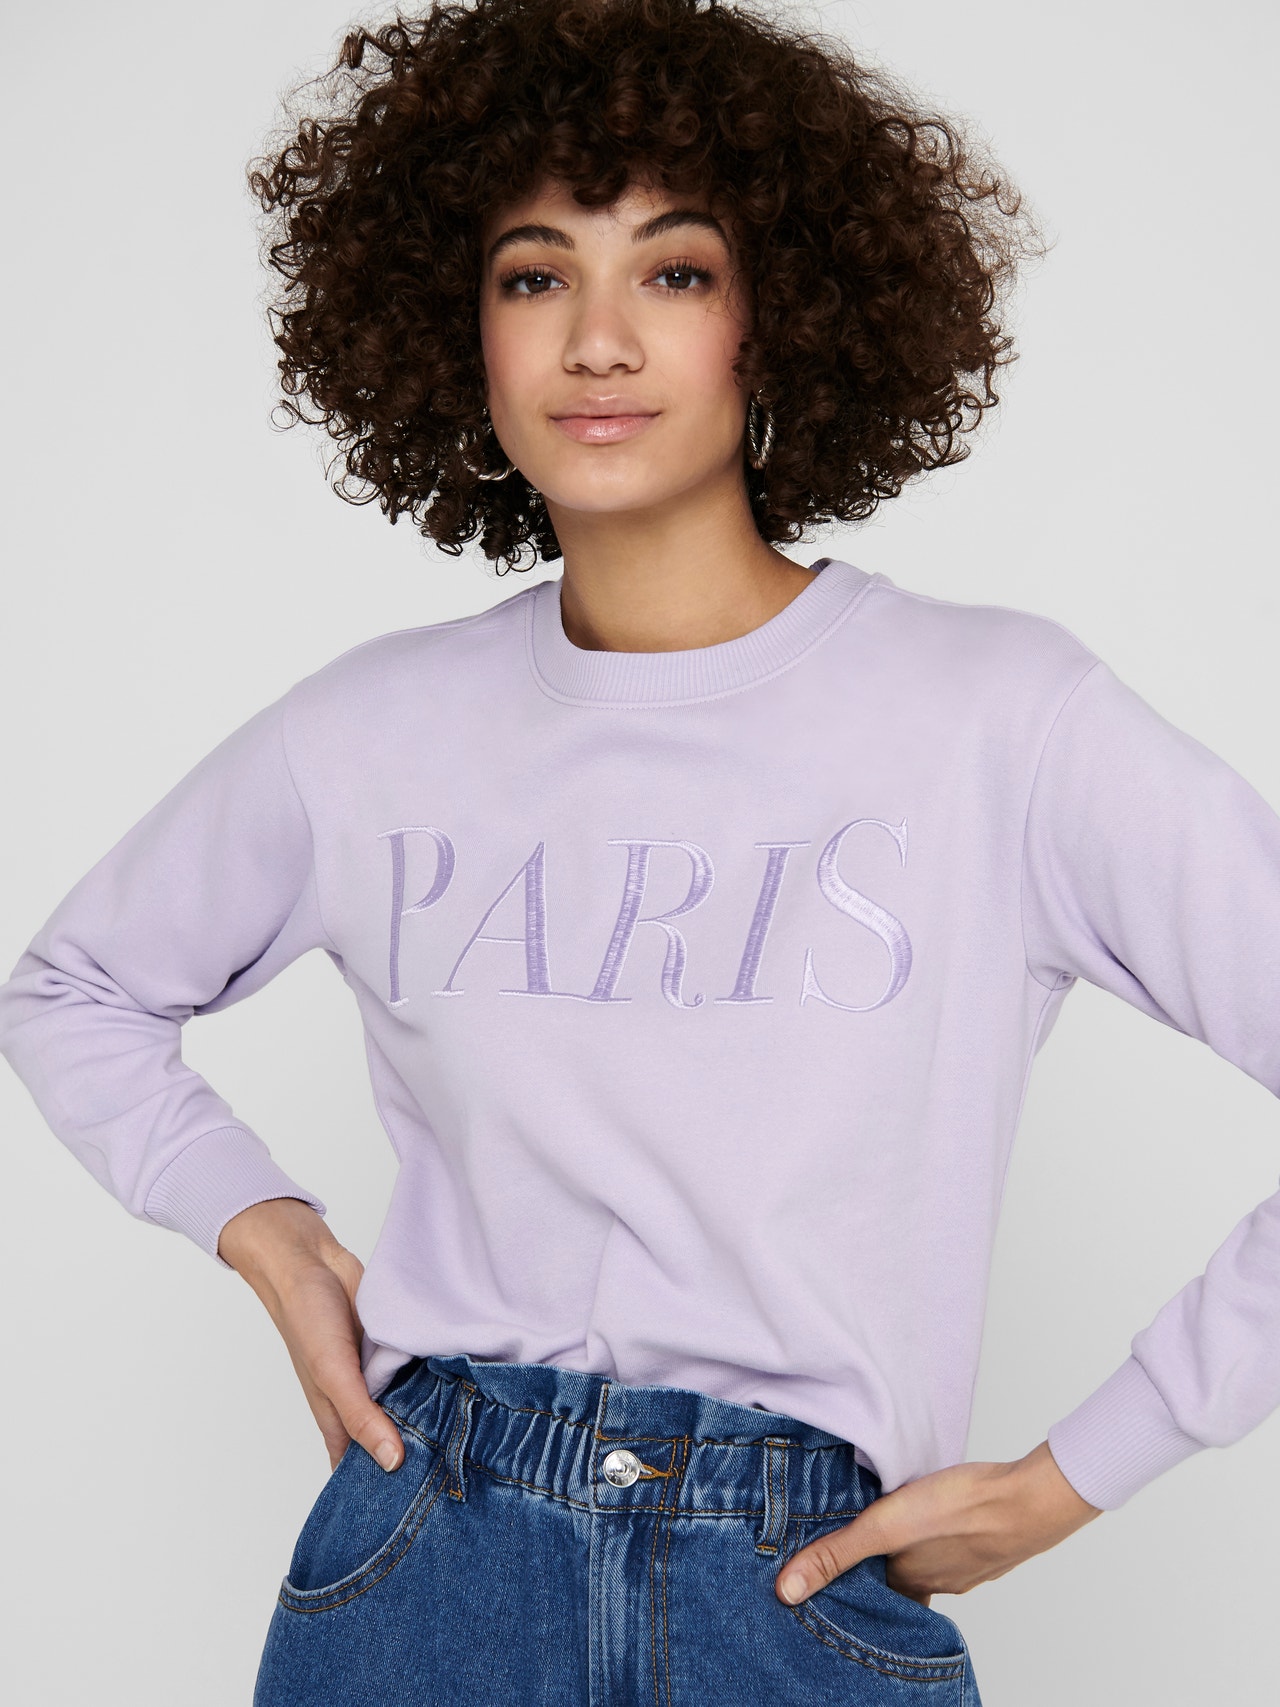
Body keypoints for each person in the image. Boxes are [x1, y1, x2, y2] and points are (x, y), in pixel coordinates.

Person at [3, 0, 1279, 1701]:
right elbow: (73, 988)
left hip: (798, 1585)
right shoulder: (372, 731)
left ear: (781, 317)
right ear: (459, 330)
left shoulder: (1003, 721)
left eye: (674, 271)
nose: (598, 341)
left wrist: (1078, 1475)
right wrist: (264, 1226)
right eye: (536, 276)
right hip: (426, 1561)